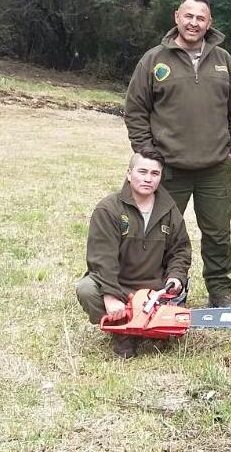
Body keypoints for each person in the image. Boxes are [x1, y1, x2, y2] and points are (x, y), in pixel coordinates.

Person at [125, 0, 231, 308]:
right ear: (176, 16)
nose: (194, 23)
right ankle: (165, 292)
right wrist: (148, 154)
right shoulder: (154, 60)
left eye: (201, 18)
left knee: (218, 234)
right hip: (169, 169)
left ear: (209, 23)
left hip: (214, 169)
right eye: (188, 16)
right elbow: (136, 109)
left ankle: (220, 293)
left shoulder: (224, 61)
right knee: (160, 233)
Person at [76, 152, 191, 358]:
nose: (148, 178)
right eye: (142, 171)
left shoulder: (170, 211)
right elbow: (103, 259)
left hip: (155, 291)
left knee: (168, 328)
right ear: (129, 174)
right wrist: (110, 295)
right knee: (86, 289)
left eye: (155, 173)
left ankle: (151, 329)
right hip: (120, 287)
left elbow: (180, 250)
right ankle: (123, 332)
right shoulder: (108, 209)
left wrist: (176, 277)